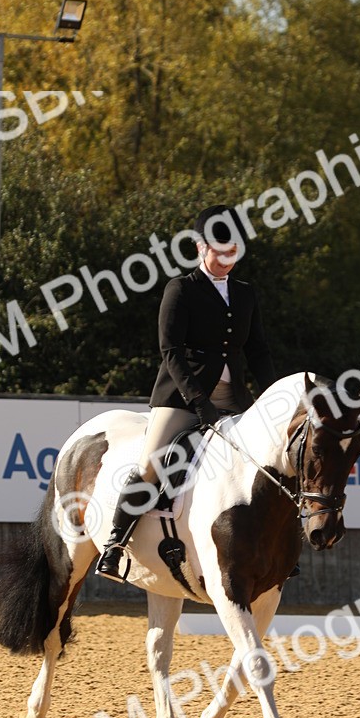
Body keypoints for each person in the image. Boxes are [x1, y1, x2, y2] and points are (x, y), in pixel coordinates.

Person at [96, 203, 277, 581]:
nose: (228, 258)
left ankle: (276, 552)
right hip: (181, 395)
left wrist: (271, 397)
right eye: (220, 250)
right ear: (200, 247)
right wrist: (199, 402)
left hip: (233, 396)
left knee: (271, 461)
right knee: (151, 464)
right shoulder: (181, 289)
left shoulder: (246, 294)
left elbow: (257, 349)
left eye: (234, 251)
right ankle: (115, 543)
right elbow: (170, 351)